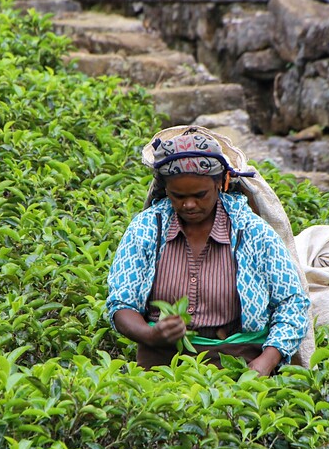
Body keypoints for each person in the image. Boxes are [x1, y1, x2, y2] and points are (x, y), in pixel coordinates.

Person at [106, 128, 310, 376]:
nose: (189, 204)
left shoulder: (251, 231)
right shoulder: (148, 228)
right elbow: (121, 303)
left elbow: (292, 302)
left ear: (220, 183)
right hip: (162, 362)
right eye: (178, 196)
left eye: (200, 195)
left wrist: (267, 360)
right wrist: (151, 334)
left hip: (239, 363)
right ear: (165, 190)